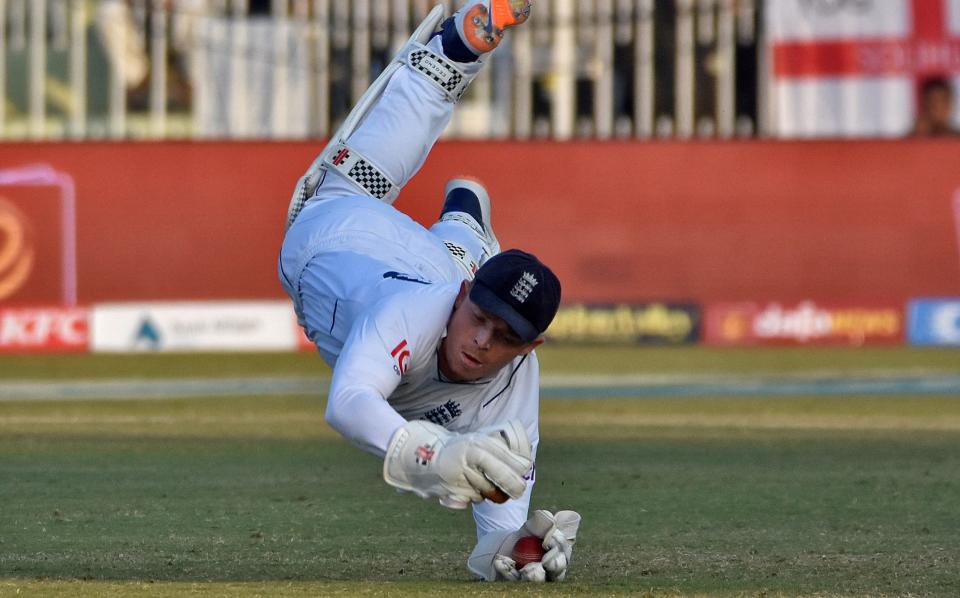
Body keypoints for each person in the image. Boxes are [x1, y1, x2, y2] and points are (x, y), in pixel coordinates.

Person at [278, 1, 581, 583]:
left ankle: (465, 219)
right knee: (352, 183)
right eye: (481, 319)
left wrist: (511, 547)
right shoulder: (411, 315)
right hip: (329, 235)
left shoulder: (515, 376)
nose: (481, 343)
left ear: (530, 347)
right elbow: (349, 402)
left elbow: (508, 486)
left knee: (456, 251)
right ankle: (456, 49)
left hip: (427, 262)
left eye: (505, 338)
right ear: (466, 297)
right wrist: (430, 457)